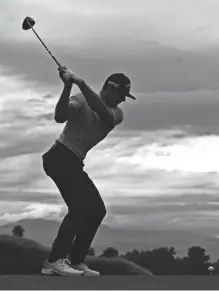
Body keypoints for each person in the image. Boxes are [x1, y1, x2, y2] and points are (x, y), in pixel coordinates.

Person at [41, 66, 136, 276]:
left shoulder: (116, 114)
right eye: (121, 95)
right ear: (110, 89)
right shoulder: (80, 99)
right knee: (79, 208)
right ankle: (54, 261)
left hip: (73, 162)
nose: (122, 101)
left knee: (97, 210)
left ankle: (75, 261)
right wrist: (67, 87)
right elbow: (59, 117)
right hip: (60, 156)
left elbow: (101, 111)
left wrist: (81, 83)